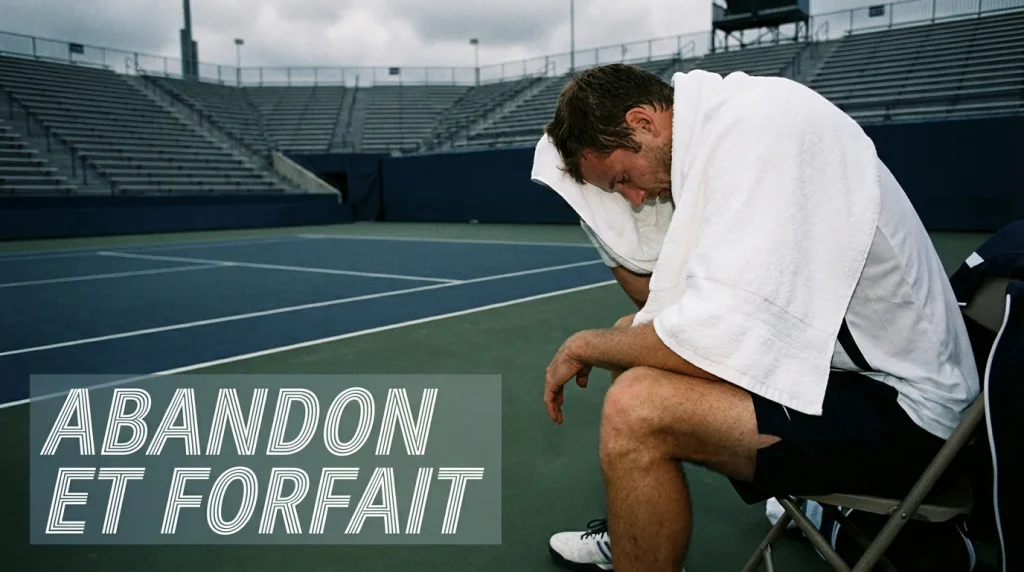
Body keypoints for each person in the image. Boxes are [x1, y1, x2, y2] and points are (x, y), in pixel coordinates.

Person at [531, 64, 980, 572]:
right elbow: (664, 311)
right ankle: (634, 527)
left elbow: (713, 340)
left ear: (642, 122)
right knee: (625, 340)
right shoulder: (729, 126)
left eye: (622, 180)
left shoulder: (758, 131)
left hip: (910, 412)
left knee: (636, 408)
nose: (635, 198)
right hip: (854, 377)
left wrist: (579, 345)